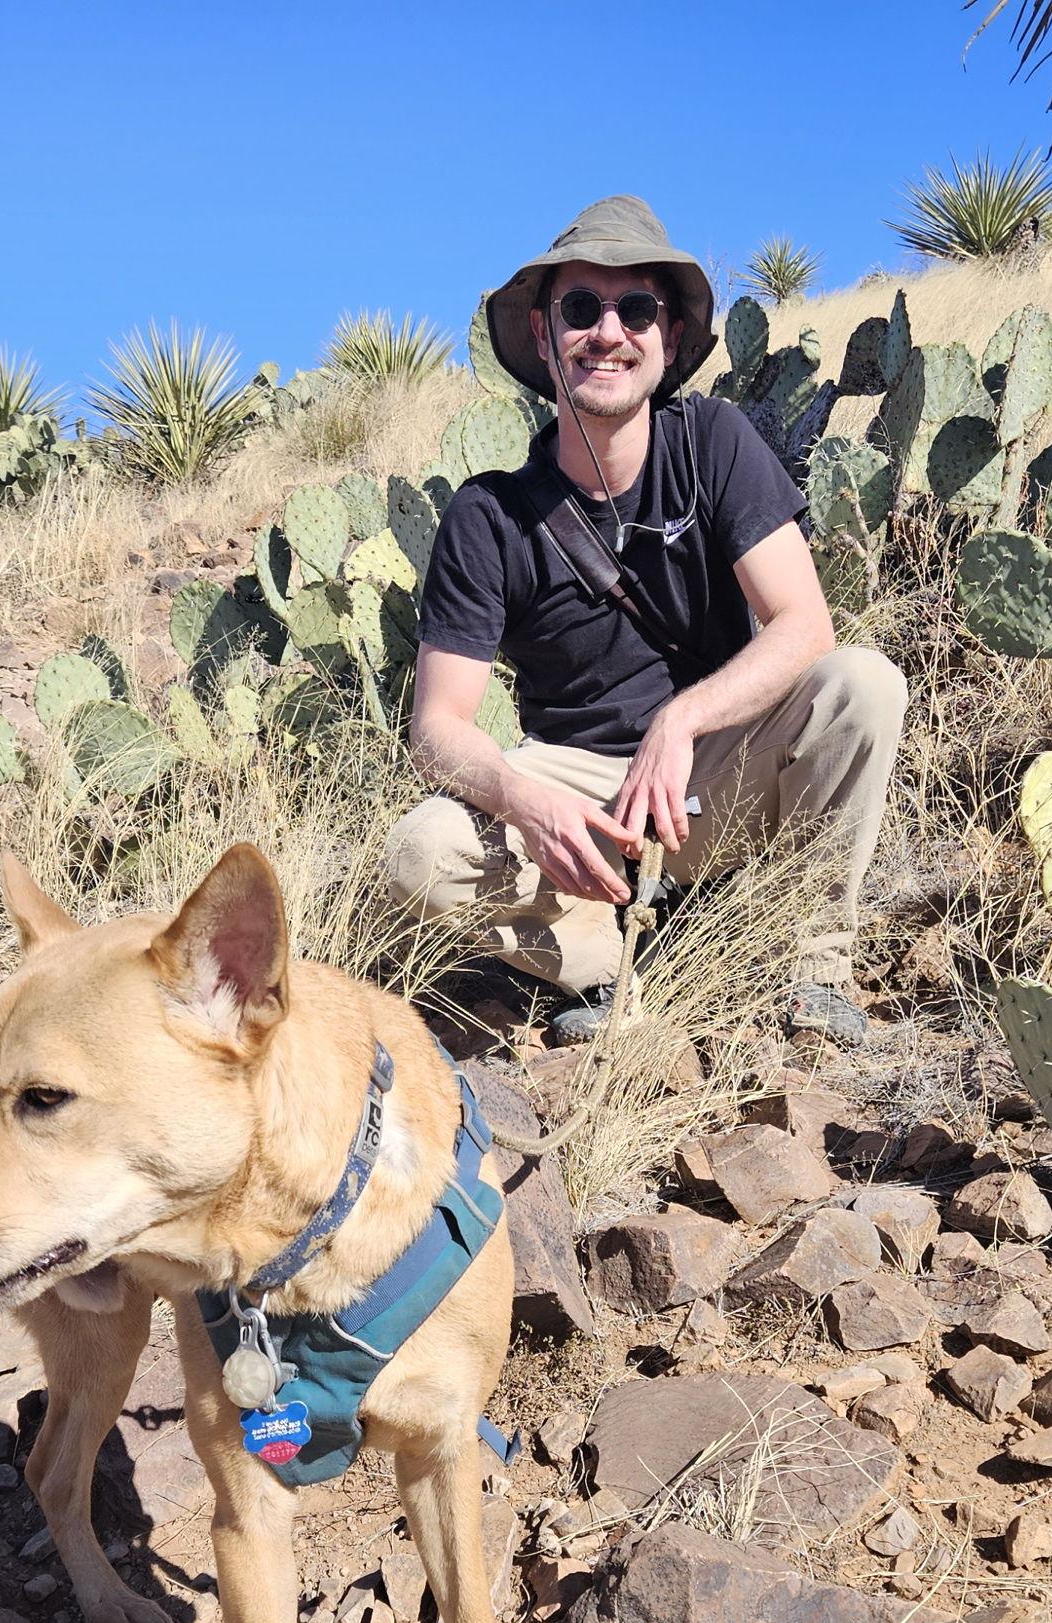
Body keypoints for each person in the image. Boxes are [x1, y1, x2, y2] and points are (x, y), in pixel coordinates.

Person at [383, 195, 907, 1046]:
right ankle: (618, 967)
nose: (608, 332)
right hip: (578, 797)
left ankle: (812, 966)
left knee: (862, 684)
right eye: (580, 309)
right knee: (422, 851)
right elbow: (437, 729)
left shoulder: (714, 441)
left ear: (665, 340)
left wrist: (682, 717)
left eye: (635, 309)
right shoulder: (489, 516)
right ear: (545, 340)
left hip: (720, 769)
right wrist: (525, 802)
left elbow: (803, 625)